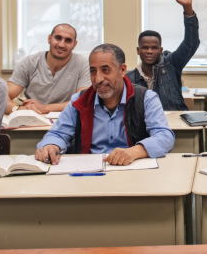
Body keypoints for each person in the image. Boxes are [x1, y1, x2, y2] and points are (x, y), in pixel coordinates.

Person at [35, 44, 175, 166]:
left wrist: (135, 151)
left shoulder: (146, 98)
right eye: (93, 71)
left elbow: (164, 136)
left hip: (132, 169)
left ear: (122, 70)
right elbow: (58, 133)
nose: (98, 79)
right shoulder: (79, 101)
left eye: (105, 70)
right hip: (88, 171)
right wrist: (51, 145)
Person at [127, 0, 199, 111]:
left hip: (174, 125)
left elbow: (191, 43)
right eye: (145, 47)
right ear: (138, 50)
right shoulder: (129, 78)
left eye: (154, 48)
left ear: (161, 50)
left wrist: (187, 9)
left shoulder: (172, 64)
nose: (149, 51)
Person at [6, 23, 90, 115]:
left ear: (74, 44)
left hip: (67, 121)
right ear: (49, 38)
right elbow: (2, 96)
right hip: (32, 119)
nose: (61, 45)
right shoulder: (29, 62)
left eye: (68, 41)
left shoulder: (84, 64)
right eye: (58, 38)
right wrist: (20, 109)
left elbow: (83, 101)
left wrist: (44, 108)